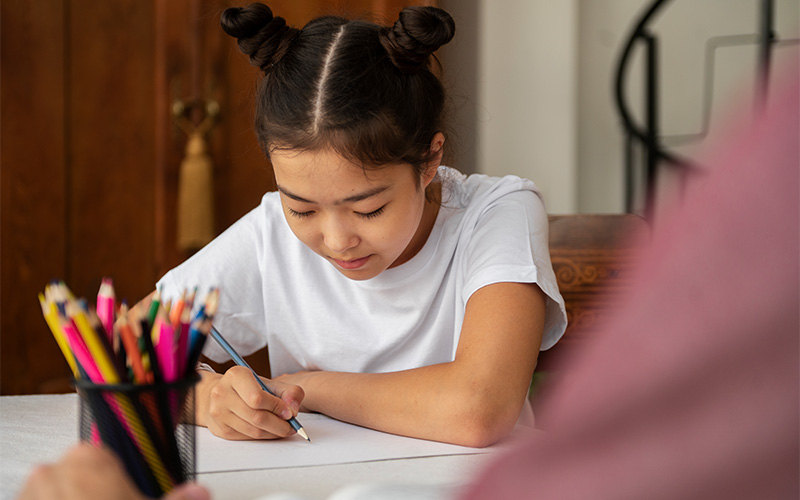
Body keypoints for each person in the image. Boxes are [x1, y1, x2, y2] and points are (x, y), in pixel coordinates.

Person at [143, 3, 567, 447]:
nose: (336, 241)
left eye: (368, 210)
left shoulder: (497, 213)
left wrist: (310, 386)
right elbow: (126, 348)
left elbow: (479, 410)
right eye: (303, 209)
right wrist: (205, 399)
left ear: (429, 160)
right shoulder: (272, 232)